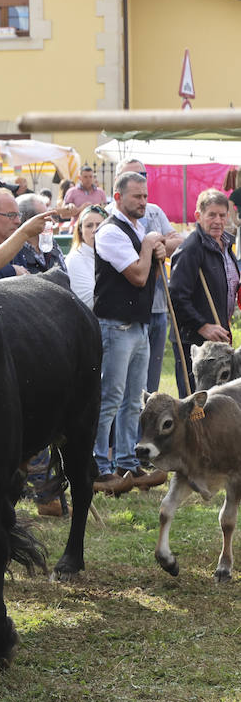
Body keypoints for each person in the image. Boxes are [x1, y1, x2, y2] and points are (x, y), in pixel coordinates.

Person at [91, 170, 169, 495]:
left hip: (138, 325)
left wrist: (156, 248)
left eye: (145, 196)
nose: (143, 201)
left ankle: (126, 461)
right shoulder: (110, 231)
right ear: (118, 197)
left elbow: (157, 255)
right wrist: (152, 244)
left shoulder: (137, 229)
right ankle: (98, 465)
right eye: (137, 196)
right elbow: (138, 275)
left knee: (135, 402)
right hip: (115, 325)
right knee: (110, 398)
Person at [117, 160, 185, 395]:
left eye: (143, 174)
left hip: (157, 305)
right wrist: (150, 247)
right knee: (126, 384)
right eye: (134, 174)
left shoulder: (154, 210)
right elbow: (132, 262)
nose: (140, 177)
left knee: (151, 381)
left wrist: (159, 245)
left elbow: (179, 242)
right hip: (129, 309)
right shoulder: (111, 217)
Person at [168, 189, 238, 391]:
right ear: (199, 216)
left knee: (217, 402)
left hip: (218, 336)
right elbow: (176, 297)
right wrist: (202, 326)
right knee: (196, 404)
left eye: (222, 215)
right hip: (195, 341)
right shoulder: (191, 249)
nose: (218, 220)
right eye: (212, 215)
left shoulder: (225, 245)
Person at [64, 205, 103, 307]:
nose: (95, 230)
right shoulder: (75, 259)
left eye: (99, 225)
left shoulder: (112, 255)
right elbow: (89, 302)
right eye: (89, 226)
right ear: (80, 230)